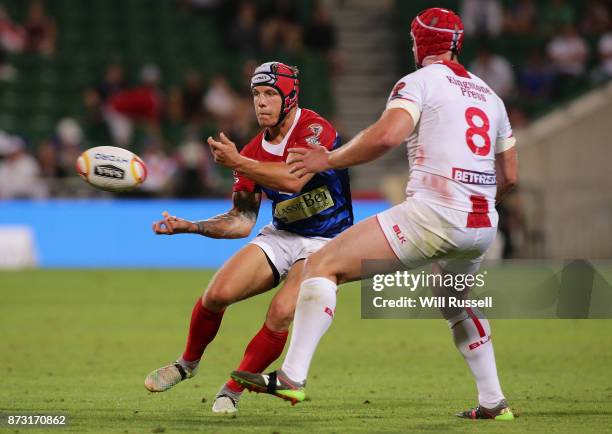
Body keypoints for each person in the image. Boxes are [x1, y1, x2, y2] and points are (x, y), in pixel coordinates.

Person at [231, 8, 518, 421]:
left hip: (433, 214)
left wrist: (326, 158)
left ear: (418, 43)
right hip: (480, 224)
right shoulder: (492, 97)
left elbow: (386, 136)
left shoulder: (417, 83)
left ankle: (293, 378)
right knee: (455, 301)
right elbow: (509, 175)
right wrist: (472, 204)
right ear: (457, 44)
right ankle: (493, 402)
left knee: (321, 264)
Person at [143, 62, 353, 414]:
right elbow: (242, 221)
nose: (261, 103)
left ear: (290, 97)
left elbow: (292, 180)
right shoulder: (253, 151)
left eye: (270, 94)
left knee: (282, 311)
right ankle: (186, 364)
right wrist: (192, 226)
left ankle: (232, 390)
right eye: (256, 95)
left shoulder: (315, 129)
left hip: (327, 242)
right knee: (216, 294)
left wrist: (239, 161)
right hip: (283, 234)